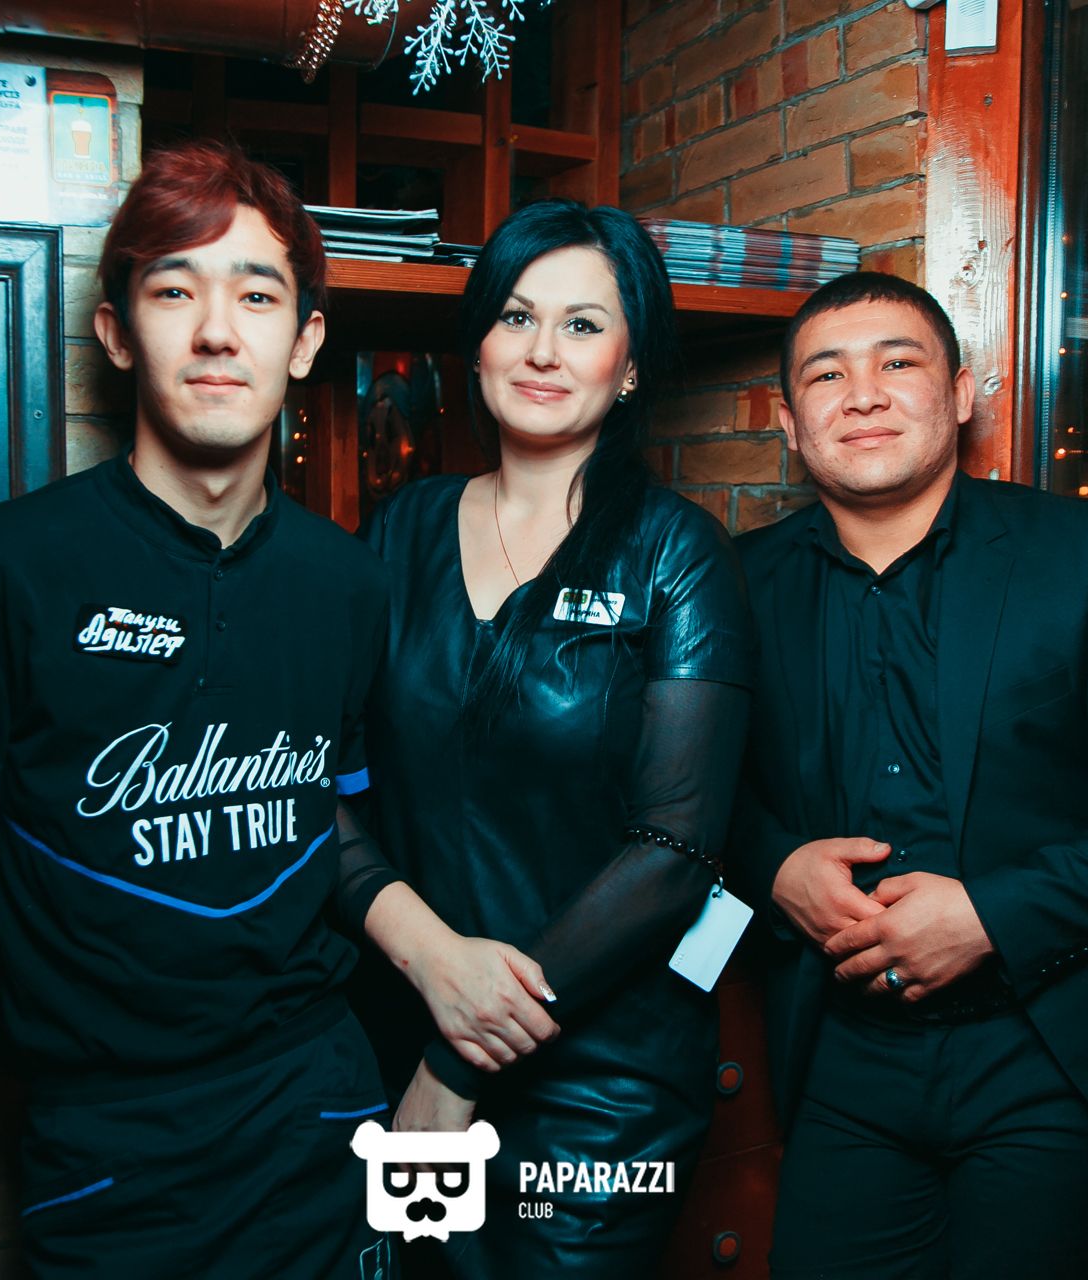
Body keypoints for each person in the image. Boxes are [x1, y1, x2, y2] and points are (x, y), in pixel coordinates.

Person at [0, 141, 549, 1279]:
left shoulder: (347, 582)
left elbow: (331, 824)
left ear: (306, 341)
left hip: (320, 1102)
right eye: (175, 291)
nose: (218, 332)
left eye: (257, 294)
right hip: (108, 1136)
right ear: (116, 332)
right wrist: (46, 1054)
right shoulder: (3, 566)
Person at [735, 272, 1088, 1280]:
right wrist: (777, 866)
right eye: (827, 375)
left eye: (898, 362)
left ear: (963, 394)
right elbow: (686, 795)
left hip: (1051, 1052)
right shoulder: (737, 580)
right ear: (790, 423)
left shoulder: (1081, 553)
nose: (864, 393)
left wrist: (989, 916)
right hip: (842, 1060)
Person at [352, 199, 755, 1277]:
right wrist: (430, 965)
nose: (542, 351)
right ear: (479, 341)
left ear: (630, 367)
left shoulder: (678, 554)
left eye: (583, 324)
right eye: (517, 316)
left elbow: (674, 852)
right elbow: (316, 781)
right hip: (398, 1026)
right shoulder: (396, 532)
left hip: (602, 1083)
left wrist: (459, 1059)